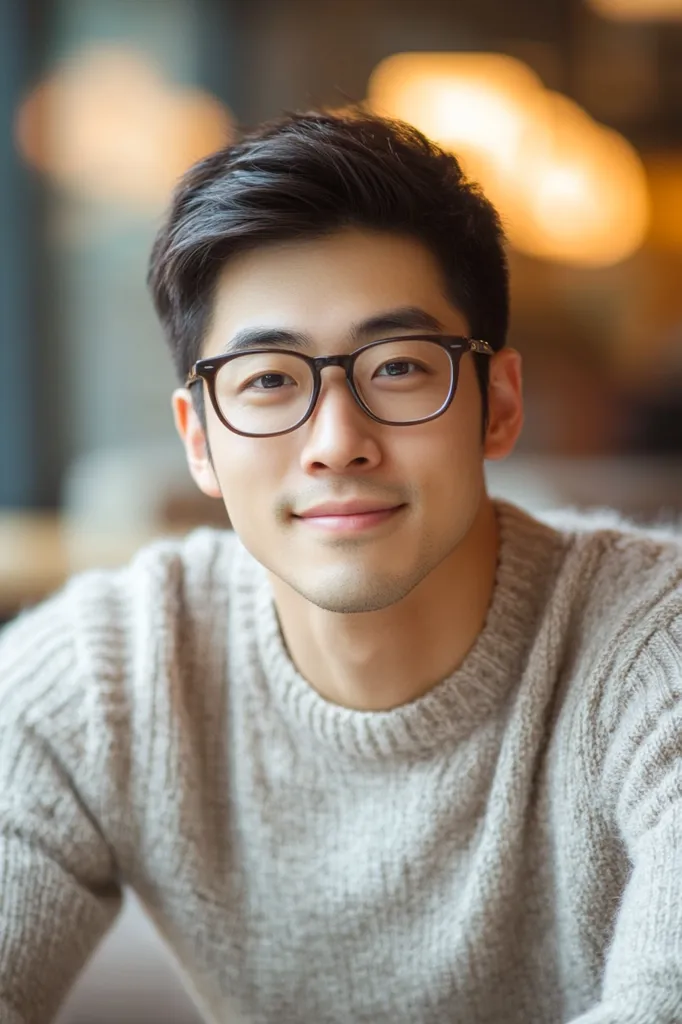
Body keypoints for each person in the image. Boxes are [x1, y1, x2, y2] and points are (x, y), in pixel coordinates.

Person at [1, 110, 681, 1024]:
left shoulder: (655, 657)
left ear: (499, 405)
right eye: (270, 380)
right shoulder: (115, 673)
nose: (336, 443)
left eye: (399, 368)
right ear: (199, 441)